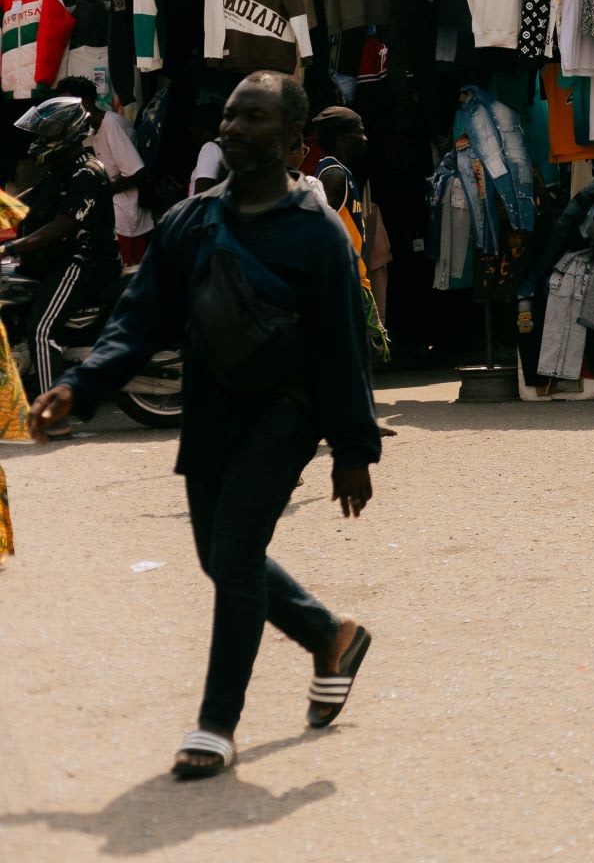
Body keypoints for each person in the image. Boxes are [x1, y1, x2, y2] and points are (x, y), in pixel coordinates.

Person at [24, 72, 381, 780]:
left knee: (237, 554)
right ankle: (328, 633)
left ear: (291, 140)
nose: (236, 129)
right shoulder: (191, 224)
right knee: (219, 558)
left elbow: (343, 346)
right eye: (230, 116)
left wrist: (352, 448)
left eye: (255, 119)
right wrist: (77, 388)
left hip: (287, 414)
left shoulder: (317, 233)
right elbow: (138, 322)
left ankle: (216, 723)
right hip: (211, 412)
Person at [2, 95, 124, 414]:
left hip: (85, 262)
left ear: (65, 134)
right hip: (62, 259)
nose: (39, 141)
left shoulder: (87, 174)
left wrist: (10, 247)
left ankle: (52, 416)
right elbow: (28, 202)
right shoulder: (60, 169)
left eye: (46, 134)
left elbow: (60, 227)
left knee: (41, 329)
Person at [52, 77, 153, 267]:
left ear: (87, 102)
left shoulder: (111, 124)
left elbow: (137, 172)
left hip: (127, 214)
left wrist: (102, 192)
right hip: (111, 215)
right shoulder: (87, 130)